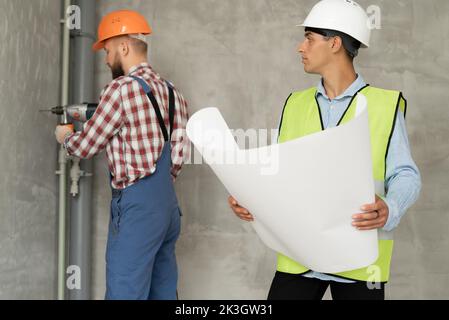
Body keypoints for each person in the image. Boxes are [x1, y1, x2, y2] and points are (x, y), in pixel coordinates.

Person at [228, 0, 421, 300]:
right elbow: (277, 172)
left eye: (309, 38)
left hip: (359, 260)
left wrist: (390, 208)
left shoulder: (385, 105)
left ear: (334, 43)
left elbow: (406, 174)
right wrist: (250, 196)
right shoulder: (295, 103)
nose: (300, 47)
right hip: (299, 255)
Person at [55, 10, 189, 300]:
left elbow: (86, 146)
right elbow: (177, 158)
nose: (105, 59)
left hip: (138, 208)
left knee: (125, 291)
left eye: (107, 50)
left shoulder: (120, 89)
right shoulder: (174, 94)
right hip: (167, 209)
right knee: (163, 292)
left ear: (123, 47)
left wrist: (66, 137)